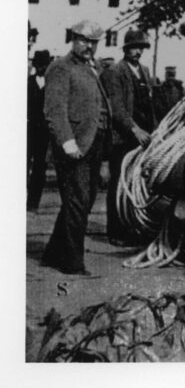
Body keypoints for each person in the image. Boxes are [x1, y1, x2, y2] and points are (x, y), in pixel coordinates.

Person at [42, 19, 111, 276]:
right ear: (73, 39)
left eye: (93, 42)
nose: (89, 46)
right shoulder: (60, 67)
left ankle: (52, 253)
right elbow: (54, 109)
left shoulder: (91, 68)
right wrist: (67, 142)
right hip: (73, 145)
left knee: (81, 200)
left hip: (93, 143)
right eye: (84, 40)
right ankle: (71, 262)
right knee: (78, 201)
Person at [100, 28, 156, 245]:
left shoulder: (144, 71)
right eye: (134, 47)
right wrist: (134, 129)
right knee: (119, 183)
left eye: (141, 48)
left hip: (143, 138)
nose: (138, 51)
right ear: (126, 49)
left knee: (136, 184)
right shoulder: (115, 72)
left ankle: (132, 227)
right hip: (123, 138)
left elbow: (150, 105)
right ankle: (116, 231)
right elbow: (116, 108)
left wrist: (154, 131)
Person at [27, 49, 52, 210]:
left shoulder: (52, 84)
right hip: (28, 129)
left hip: (44, 132)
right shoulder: (28, 82)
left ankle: (33, 202)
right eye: (40, 65)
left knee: (40, 166)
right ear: (35, 65)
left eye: (45, 65)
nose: (42, 68)